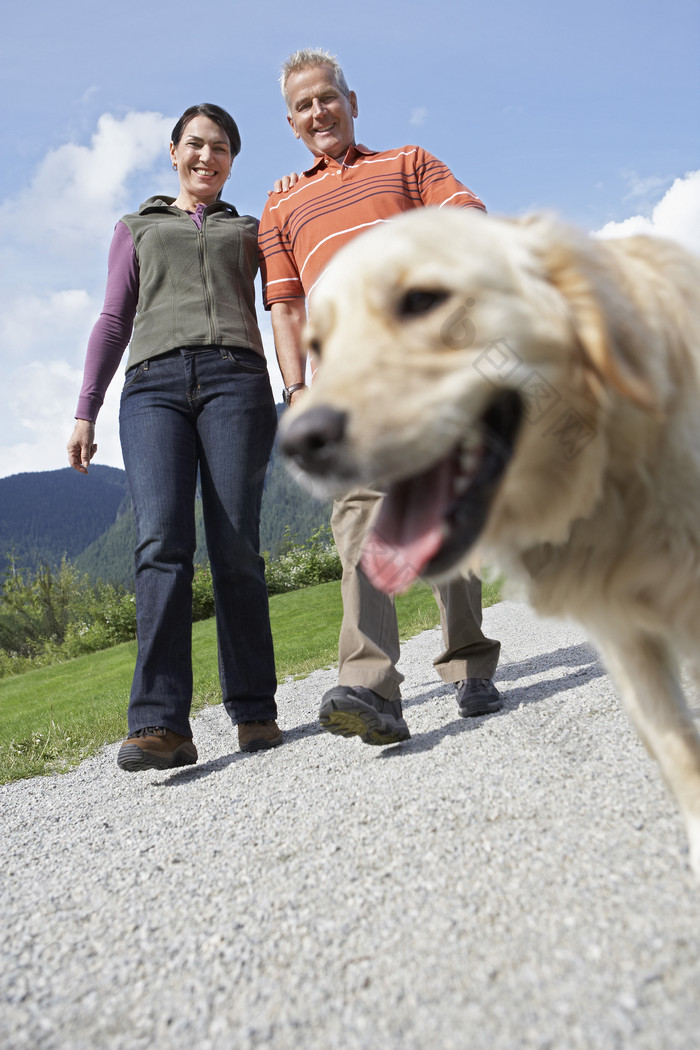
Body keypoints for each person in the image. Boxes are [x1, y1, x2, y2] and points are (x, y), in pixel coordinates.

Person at [259, 49, 501, 746]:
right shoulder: (281, 202)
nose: (318, 112)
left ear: (352, 100)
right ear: (291, 123)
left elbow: (469, 220)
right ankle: (372, 690)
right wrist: (298, 389)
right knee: (359, 520)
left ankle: (468, 663)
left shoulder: (407, 162)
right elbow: (285, 306)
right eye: (303, 106)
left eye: (327, 97)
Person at [67, 103, 282, 771]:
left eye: (220, 147)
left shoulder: (249, 229)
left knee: (236, 546)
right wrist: (85, 409)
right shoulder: (137, 227)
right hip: (153, 388)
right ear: (173, 150)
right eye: (196, 144)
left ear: (230, 160)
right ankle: (161, 723)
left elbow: (290, 300)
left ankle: (254, 711)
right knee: (162, 542)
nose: (206, 157)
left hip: (236, 382)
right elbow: (111, 319)